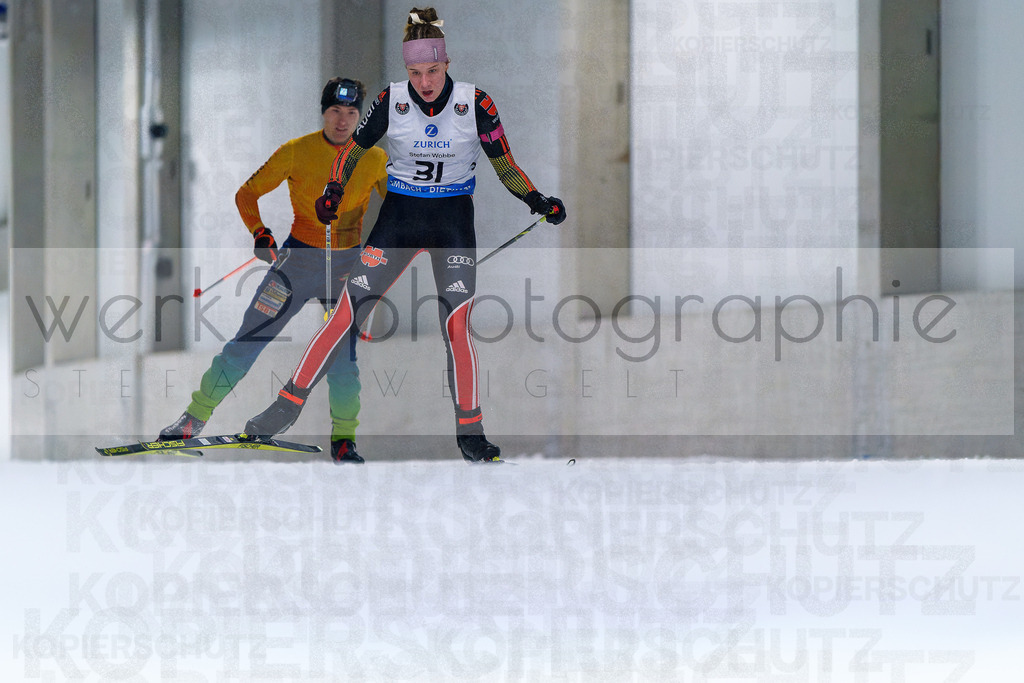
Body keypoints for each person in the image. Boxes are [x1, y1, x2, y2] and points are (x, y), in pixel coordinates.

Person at [243, 7, 566, 463]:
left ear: (447, 64)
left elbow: (504, 164)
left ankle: (470, 432)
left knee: (456, 326)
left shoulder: (476, 103)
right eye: (415, 72)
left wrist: (536, 200)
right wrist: (334, 189)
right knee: (345, 315)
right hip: (398, 220)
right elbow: (352, 151)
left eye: (433, 70)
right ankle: (285, 407)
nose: (425, 82)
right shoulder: (391, 99)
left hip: (452, 223)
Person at [157, 77, 389, 463]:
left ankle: (345, 438)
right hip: (297, 262)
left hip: (346, 266)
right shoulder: (297, 151)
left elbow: (400, 205)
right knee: (247, 340)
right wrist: (260, 233)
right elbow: (246, 194)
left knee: (342, 358)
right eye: (335, 111)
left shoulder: (374, 159)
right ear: (323, 112)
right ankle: (192, 420)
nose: (343, 121)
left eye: (351, 114)